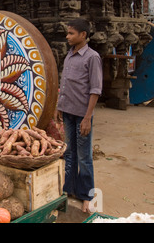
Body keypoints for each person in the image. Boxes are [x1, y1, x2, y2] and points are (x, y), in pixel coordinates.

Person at [55, 18, 102, 214]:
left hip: (82, 115)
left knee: (84, 157)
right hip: (67, 112)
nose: (67, 36)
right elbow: (64, 84)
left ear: (83, 35)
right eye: (67, 33)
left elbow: (95, 90)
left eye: (71, 33)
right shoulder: (69, 56)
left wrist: (87, 117)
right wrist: (59, 106)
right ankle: (70, 189)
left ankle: (87, 195)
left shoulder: (92, 57)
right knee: (70, 153)